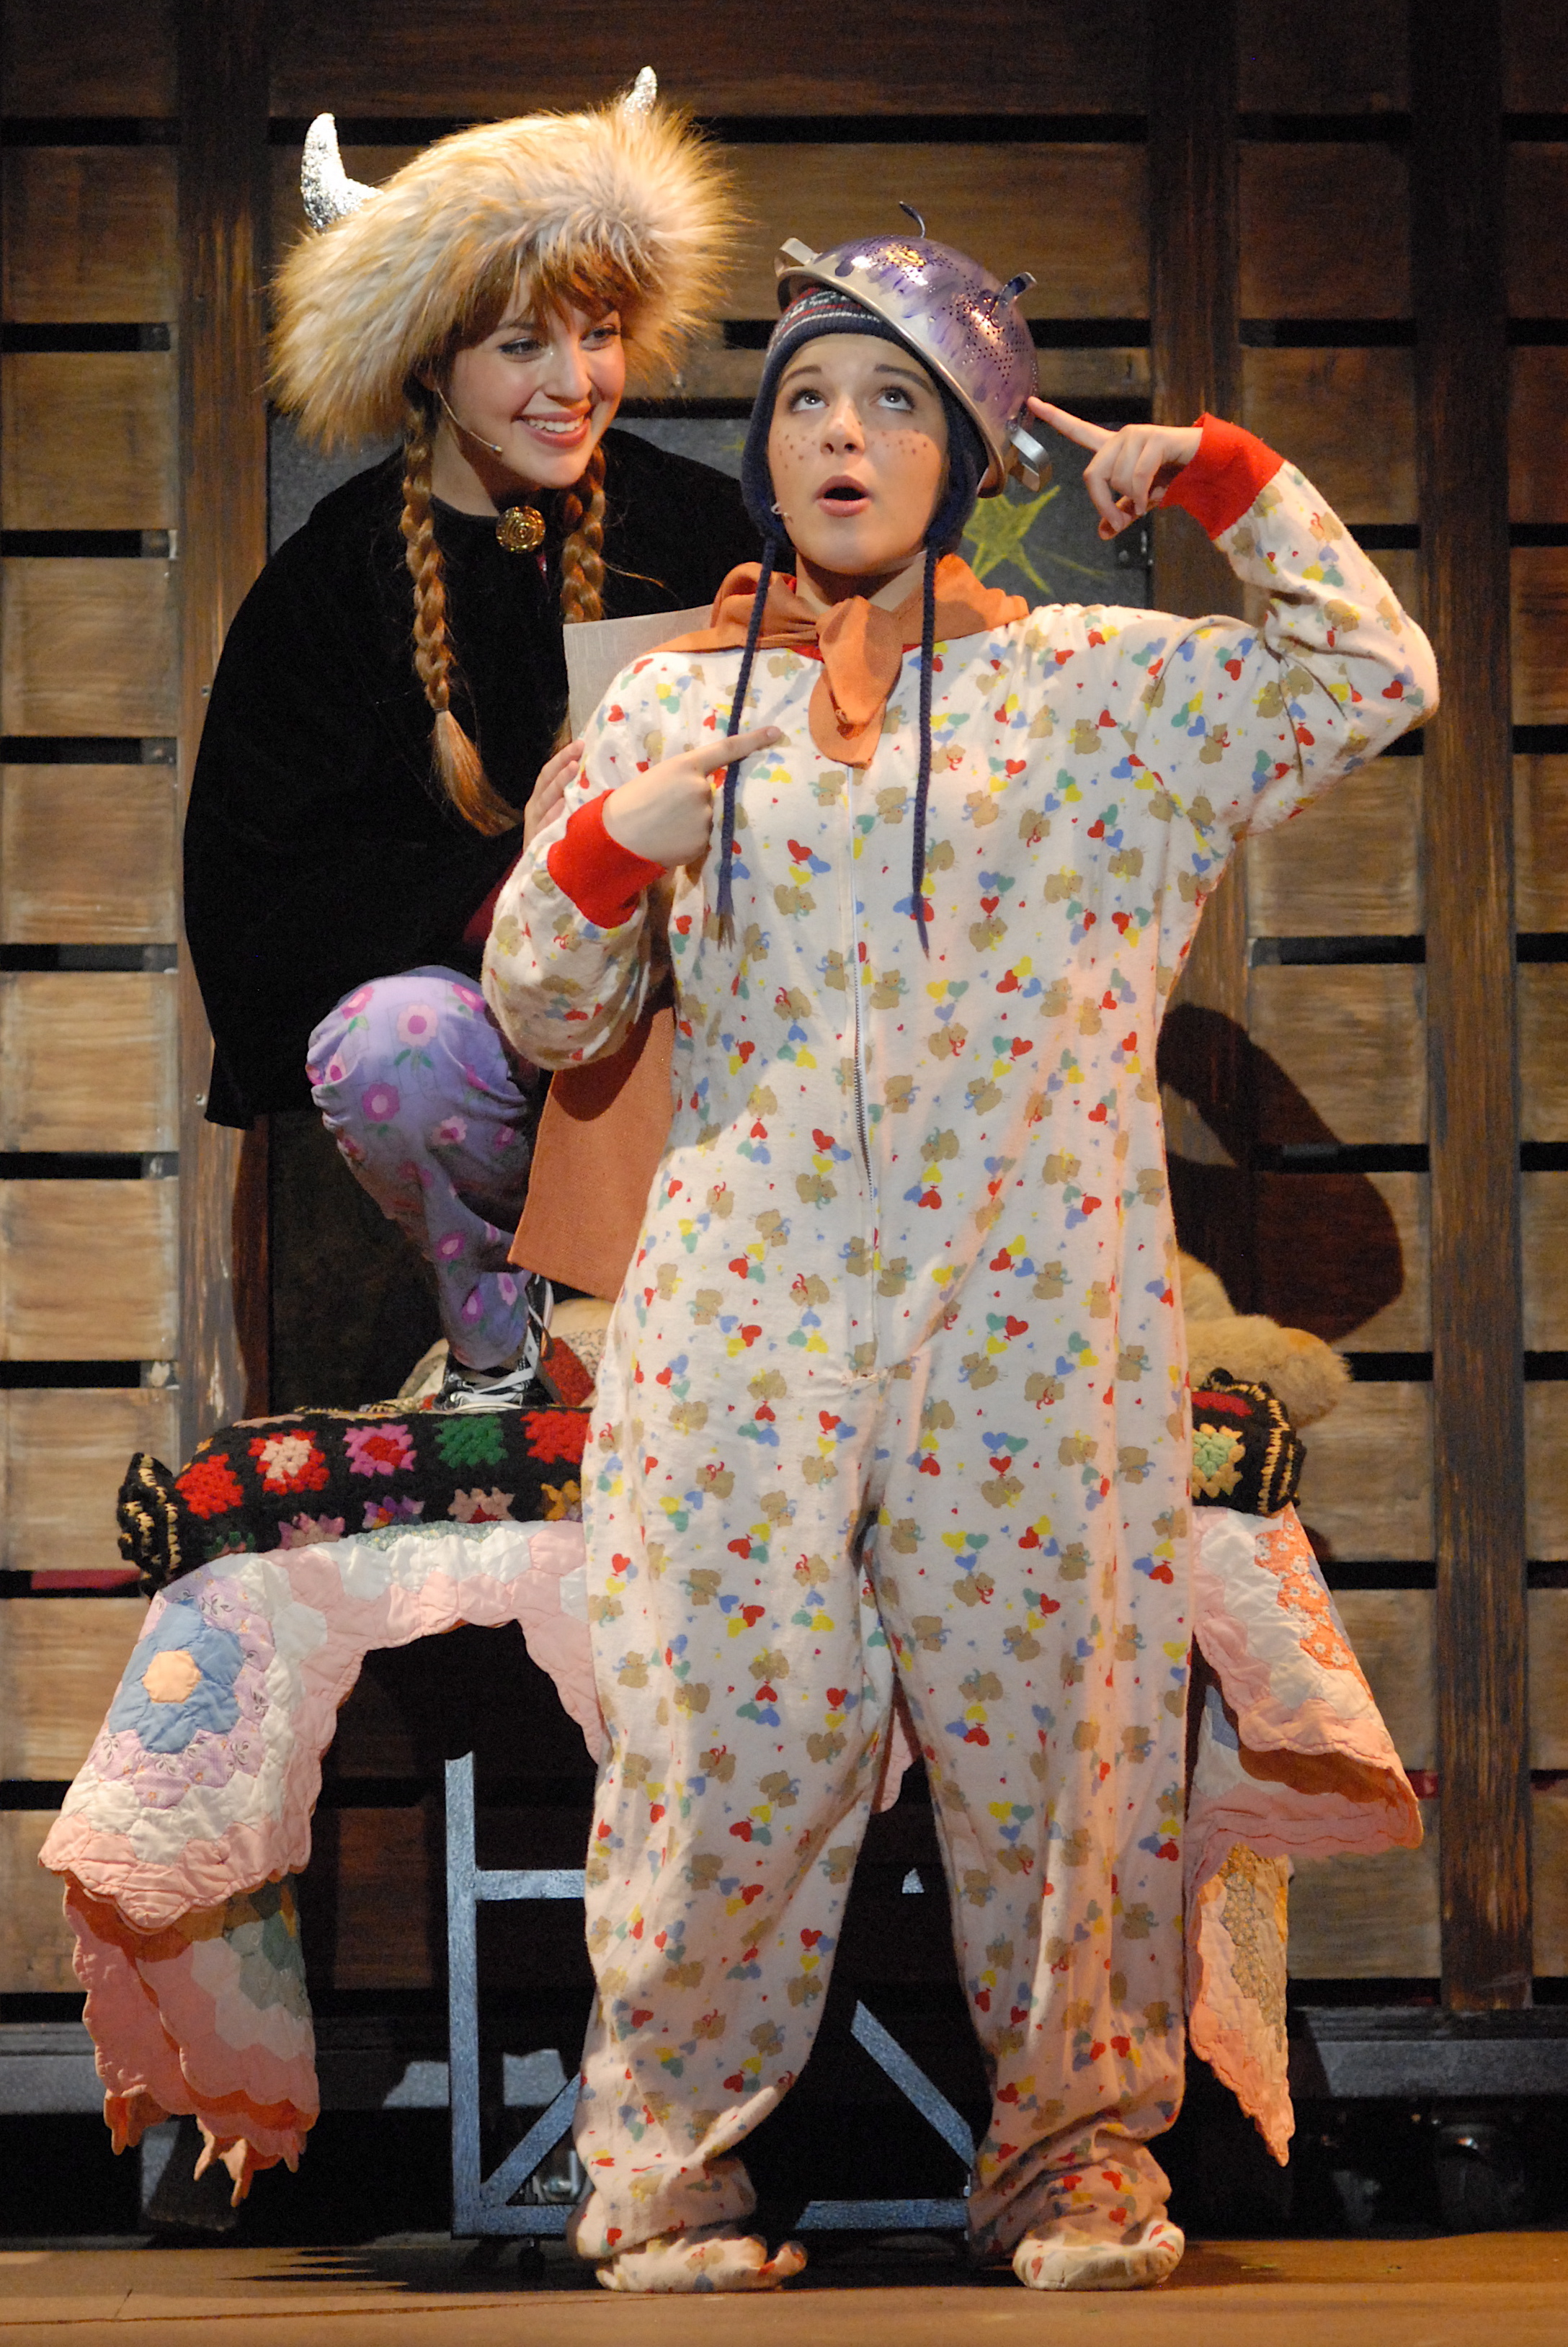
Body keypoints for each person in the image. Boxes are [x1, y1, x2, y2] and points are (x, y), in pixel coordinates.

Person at [481, 231, 1438, 2292]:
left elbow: (1376, 677)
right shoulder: (674, 697)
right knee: (720, 1740)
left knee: (1063, 1751)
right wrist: (610, 844)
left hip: (1031, 1305)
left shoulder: (1103, 691)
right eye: (807, 402)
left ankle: (1074, 2165)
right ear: (764, 448)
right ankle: (660, 2175)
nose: (841, 436)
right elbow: (543, 1010)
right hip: (745, 1302)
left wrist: (1222, 477)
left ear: (979, 448)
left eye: (894, 399)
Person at [182, 76, 758, 1406]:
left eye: (598, 336)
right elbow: (267, 901)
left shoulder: (704, 528)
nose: (574, 383)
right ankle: (503, 1351)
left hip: (697, 1033)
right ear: (430, 362)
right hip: (483, 1056)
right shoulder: (329, 588)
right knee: (391, 1039)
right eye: (520, 345)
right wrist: (520, 879)